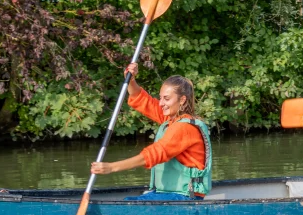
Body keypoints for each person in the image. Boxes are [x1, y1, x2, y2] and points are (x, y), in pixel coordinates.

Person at [90, 63, 212, 200]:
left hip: (185, 195)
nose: (161, 103)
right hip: (168, 193)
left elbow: (155, 154)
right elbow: (143, 101)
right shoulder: (171, 119)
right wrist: (130, 80)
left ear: (182, 100)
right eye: (160, 98)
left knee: (130, 203)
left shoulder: (184, 127)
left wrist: (111, 167)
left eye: (166, 99)